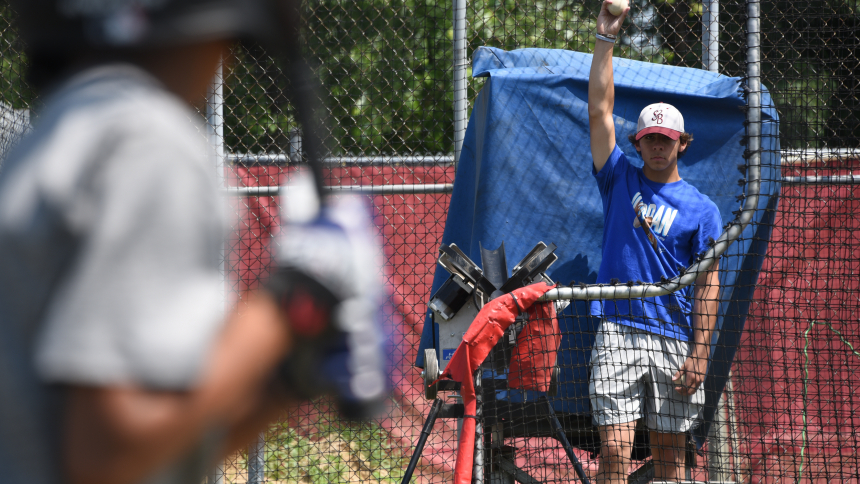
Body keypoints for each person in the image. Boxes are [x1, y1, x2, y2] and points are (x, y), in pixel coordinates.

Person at [0, 2, 385, 484]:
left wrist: (286, 379)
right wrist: (298, 298)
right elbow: (105, 458)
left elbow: (154, 455)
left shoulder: (61, 130)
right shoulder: (148, 143)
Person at [586, 1, 722, 482]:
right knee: (616, 456)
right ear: (638, 142)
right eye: (650, 138)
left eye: (668, 138)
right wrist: (606, 36)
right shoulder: (618, 178)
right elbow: (600, 110)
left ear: (683, 143)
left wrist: (701, 351)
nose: (659, 145)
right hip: (618, 331)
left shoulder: (703, 210)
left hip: (674, 337)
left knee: (670, 461)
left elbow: (708, 285)